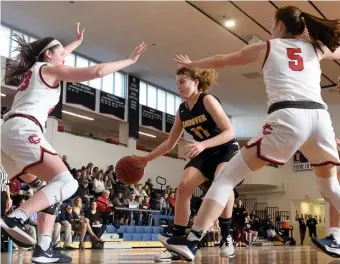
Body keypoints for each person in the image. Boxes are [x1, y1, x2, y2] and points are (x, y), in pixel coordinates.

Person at [158, 6, 340, 261]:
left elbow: (222, 60)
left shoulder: (267, 47)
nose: (270, 27)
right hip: (320, 119)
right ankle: (336, 237)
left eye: (272, 22)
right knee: (330, 187)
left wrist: (193, 64)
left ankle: (192, 239)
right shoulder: (317, 47)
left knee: (227, 177)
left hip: (288, 116)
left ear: (280, 26)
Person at [0, 21, 146, 263]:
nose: (65, 57)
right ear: (49, 54)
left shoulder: (35, 69)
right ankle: (15, 218)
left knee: (49, 189)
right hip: (23, 129)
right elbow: (96, 72)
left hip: (7, 134)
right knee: (68, 184)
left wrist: (76, 42)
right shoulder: (50, 69)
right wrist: (129, 61)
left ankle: (44, 248)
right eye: (62, 53)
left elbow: (58, 52)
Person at [136, 66, 240, 261]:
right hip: (206, 151)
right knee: (183, 188)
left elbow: (230, 132)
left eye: (183, 81)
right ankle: (177, 242)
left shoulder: (207, 100)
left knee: (222, 181)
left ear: (196, 82)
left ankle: (227, 236)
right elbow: (169, 143)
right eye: (177, 83)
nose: (179, 86)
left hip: (226, 149)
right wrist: (146, 159)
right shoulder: (182, 111)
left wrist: (202, 144)